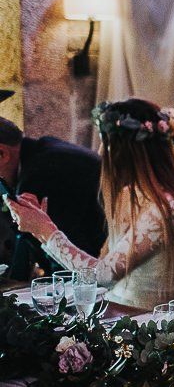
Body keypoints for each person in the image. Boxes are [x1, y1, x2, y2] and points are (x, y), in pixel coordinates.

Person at [5, 98, 174, 308]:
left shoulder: (167, 207)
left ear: (127, 153)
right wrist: (40, 230)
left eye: (105, 144)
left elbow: (103, 275)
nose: (100, 153)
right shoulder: (130, 194)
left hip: (149, 324)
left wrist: (46, 229)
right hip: (117, 312)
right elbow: (100, 266)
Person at [0, 116, 105, 280]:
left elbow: (65, 265)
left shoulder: (39, 176)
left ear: (2, 154)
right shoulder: (43, 150)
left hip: (105, 276)